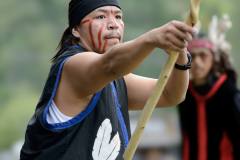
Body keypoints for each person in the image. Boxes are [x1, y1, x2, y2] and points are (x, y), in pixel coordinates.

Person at [20, 0, 194, 159]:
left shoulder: (118, 79)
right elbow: (109, 65)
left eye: (118, 16)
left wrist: (180, 54)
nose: (113, 24)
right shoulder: (73, 67)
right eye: (101, 16)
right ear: (76, 30)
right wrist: (151, 39)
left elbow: (170, 94)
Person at [178, 15, 240, 160]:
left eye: (203, 56)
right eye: (192, 56)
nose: (197, 62)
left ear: (213, 59)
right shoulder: (183, 93)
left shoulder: (229, 92)